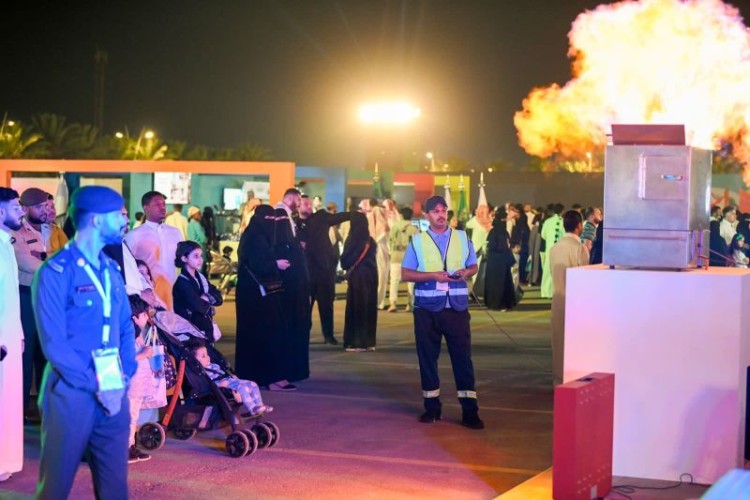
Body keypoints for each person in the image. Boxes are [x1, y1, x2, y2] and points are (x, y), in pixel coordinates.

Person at [32, 185, 137, 499]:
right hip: (71, 393)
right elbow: (54, 344)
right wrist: (98, 384)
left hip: (113, 390)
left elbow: (125, 329)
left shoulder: (111, 270)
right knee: (56, 487)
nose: (125, 221)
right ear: (95, 220)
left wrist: (122, 378)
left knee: (115, 488)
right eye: (118, 215)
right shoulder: (54, 272)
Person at [401, 195, 484, 430]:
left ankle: (470, 412)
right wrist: (433, 276)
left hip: (456, 308)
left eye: (443, 210)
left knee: (463, 360)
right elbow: (406, 273)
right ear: (426, 216)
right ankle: (432, 408)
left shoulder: (461, 236)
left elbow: (473, 265)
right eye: (435, 211)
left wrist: (467, 272)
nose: (440, 214)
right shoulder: (417, 241)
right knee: (427, 360)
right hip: (427, 310)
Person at [235, 205, 294, 390]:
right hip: (255, 294)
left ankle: (260, 376)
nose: (271, 224)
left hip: (258, 293)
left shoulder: (254, 234)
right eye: (268, 219)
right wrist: (275, 264)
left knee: (262, 334)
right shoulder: (254, 237)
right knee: (268, 332)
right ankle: (269, 377)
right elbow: (255, 262)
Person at [13, 187, 50, 415]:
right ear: (25, 208)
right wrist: (54, 263)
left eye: (45, 205)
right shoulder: (16, 233)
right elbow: (28, 264)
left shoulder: (51, 230)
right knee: (25, 356)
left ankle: (48, 412)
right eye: (38, 206)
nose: (44, 210)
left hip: (48, 298)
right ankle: (20, 413)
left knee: (47, 356)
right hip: (27, 297)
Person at [296, 195, 352, 344]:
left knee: (326, 304)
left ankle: (328, 334)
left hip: (324, 270)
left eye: (309, 204)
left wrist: (355, 215)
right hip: (305, 272)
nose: (307, 206)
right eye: (304, 204)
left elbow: (339, 217)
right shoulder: (293, 223)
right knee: (304, 306)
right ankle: (302, 334)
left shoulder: (320, 217)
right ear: (298, 206)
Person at [0, 187, 25, 482]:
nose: (20, 211)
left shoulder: (7, 243)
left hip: (8, 337)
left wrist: (17, 334)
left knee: (8, 401)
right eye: (15, 206)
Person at [549, 210, 590, 386]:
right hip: (575, 302)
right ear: (579, 226)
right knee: (576, 344)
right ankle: (573, 380)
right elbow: (585, 278)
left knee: (558, 342)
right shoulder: (579, 248)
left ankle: (558, 380)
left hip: (557, 299)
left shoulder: (554, 248)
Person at [125, 191, 183, 310]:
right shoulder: (134, 235)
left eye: (164, 204)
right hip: (149, 296)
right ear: (146, 208)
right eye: (157, 204)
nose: (162, 208)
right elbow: (127, 266)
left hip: (174, 293)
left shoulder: (175, 233)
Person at [274, 207, 311, 382]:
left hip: (286, 301)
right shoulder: (296, 246)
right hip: (301, 300)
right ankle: (299, 370)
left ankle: (287, 371)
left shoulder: (278, 248)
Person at [188, 338, 273, 415]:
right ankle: (253, 408)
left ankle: (259, 405)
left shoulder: (213, 366)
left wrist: (232, 377)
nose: (208, 357)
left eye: (207, 354)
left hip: (228, 380)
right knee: (241, 388)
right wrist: (220, 385)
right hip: (221, 385)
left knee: (253, 384)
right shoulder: (201, 373)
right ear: (195, 361)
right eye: (203, 356)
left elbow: (222, 373)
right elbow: (206, 385)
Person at [340, 212, 378, 351]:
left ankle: (356, 341)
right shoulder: (370, 241)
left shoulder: (352, 240)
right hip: (371, 277)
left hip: (358, 278)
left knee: (356, 309)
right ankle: (369, 341)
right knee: (369, 308)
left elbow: (345, 261)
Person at [172, 240, 223, 342]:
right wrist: (209, 298)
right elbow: (200, 307)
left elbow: (219, 298)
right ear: (184, 258)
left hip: (205, 328)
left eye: (201, 256)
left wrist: (205, 297)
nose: (200, 260)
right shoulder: (181, 283)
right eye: (196, 256)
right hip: (191, 333)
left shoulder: (201, 278)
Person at [126, 295, 155, 464]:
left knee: (133, 415)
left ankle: (130, 446)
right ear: (135, 317)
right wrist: (143, 354)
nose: (147, 317)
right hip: (130, 384)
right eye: (144, 315)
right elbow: (125, 358)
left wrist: (143, 346)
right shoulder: (126, 335)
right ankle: (124, 449)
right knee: (128, 416)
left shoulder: (135, 334)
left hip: (136, 385)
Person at [484, 209, 518, 311]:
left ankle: (493, 303)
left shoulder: (495, 232)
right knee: (500, 283)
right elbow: (503, 247)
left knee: (495, 283)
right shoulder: (499, 232)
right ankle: (500, 304)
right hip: (500, 262)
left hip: (495, 262)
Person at [387, 206, 418, 312]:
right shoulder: (414, 229)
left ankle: (393, 304)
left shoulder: (394, 227)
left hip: (395, 256)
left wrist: (391, 252)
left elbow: (389, 241)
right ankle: (410, 304)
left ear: (401, 215)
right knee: (411, 282)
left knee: (394, 281)